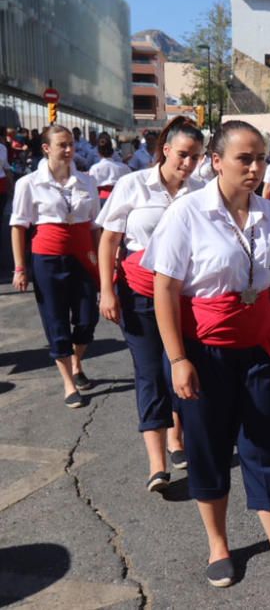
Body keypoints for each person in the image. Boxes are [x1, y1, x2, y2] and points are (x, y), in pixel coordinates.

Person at [143, 120, 270, 594]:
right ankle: (218, 545)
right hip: (204, 351)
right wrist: (178, 359)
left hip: (259, 350)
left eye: (260, 158)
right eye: (245, 158)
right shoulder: (188, 213)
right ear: (216, 161)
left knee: (265, 447)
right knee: (209, 449)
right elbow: (166, 289)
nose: (256, 167)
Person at [96, 117, 205, 490]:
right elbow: (109, 240)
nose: (188, 164)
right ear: (165, 150)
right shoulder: (132, 185)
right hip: (138, 294)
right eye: (183, 155)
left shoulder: (201, 191)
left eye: (196, 157)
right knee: (149, 375)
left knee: (179, 367)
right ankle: (157, 464)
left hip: (184, 298)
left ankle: (179, 437)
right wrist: (107, 290)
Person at [10, 125, 100, 408]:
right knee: (56, 321)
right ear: (46, 148)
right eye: (62, 144)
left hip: (83, 256)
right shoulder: (29, 183)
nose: (69, 150)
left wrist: (102, 260)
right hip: (48, 258)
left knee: (87, 319)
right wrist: (20, 267)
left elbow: (96, 225)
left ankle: (76, 362)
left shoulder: (86, 181)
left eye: (71, 144)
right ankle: (69, 383)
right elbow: (19, 225)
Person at [88, 136, 131, 204]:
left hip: (102, 201)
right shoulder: (124, 167)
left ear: (98, 152)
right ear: (112, 152)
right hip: (120, 199)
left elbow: (91, 188)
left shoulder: (95, 168)